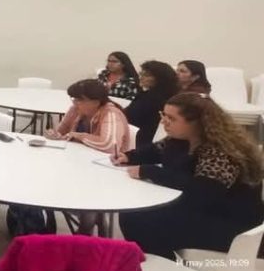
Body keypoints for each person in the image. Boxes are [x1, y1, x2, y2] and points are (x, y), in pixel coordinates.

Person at [114, 93, 264, 259]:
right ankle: (156, 261)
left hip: (229, 222)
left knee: (142, 220)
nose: (164, 122)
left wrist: (150, 171)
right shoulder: (180, 139)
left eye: (171, 118)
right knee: (134, 214)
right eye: (163, 115)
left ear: (197, 122)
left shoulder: (220, 151)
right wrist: (129, 156)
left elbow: (204, 191)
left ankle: (163, 264)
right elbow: (155, 150)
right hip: (200, 208)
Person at [47, 79, 130, 236]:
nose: (75, 103)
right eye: (74, 98)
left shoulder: (110, 113)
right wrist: (55, 135)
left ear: (96, 101)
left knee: (82, 191)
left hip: (106, 170)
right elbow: (62, 131)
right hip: (80, 164)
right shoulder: (76, 110)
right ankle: (87, 222)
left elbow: (109, 145)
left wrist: (79, 135)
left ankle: (86, 227)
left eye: (80, 99)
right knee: (48, 179)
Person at [125, 61, 180, 147]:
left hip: (143, 140)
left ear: (160, 79)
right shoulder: (148, 94)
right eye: (141, 74)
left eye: (146, 75)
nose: (141, 77)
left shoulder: (153, 99)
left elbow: (132, 117)